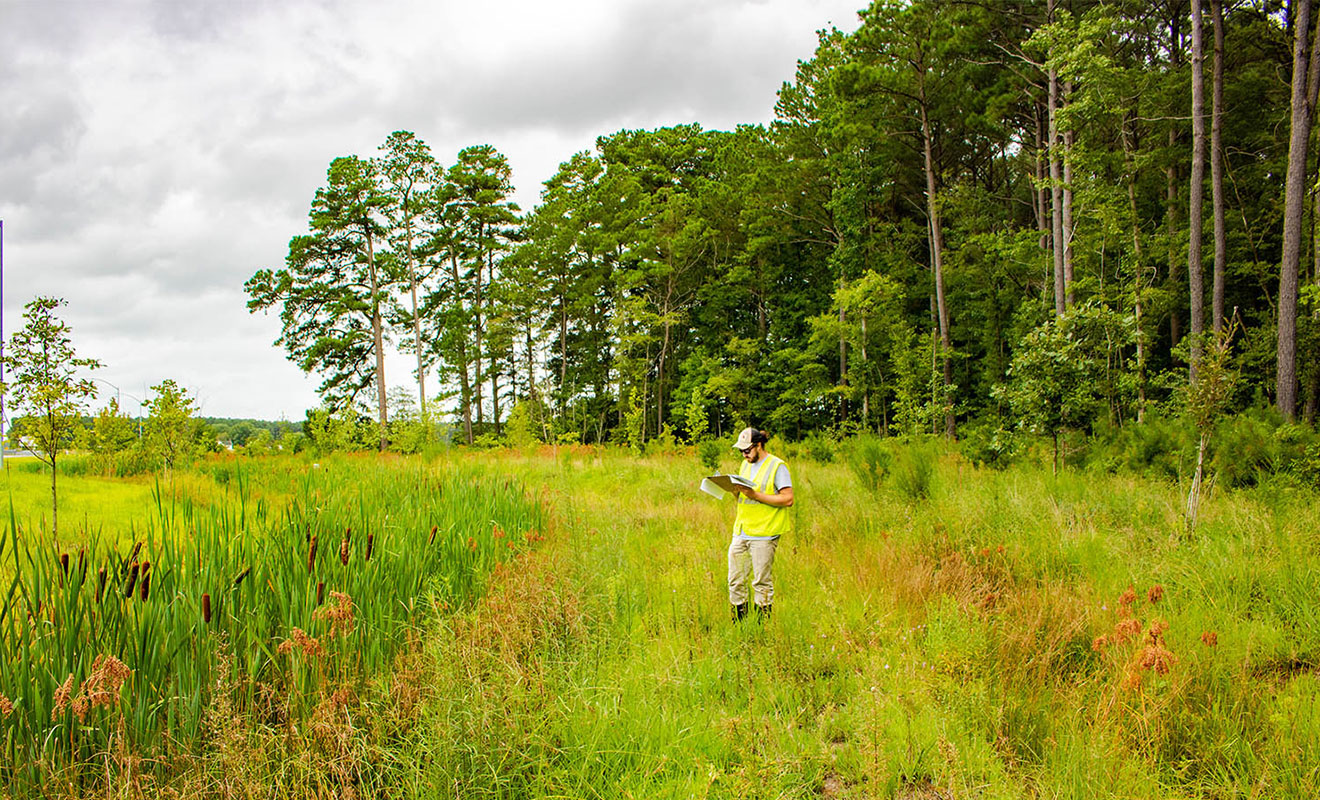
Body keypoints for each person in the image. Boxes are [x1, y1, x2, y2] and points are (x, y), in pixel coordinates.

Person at [726, 427, 793, 622]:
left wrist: (755, 495)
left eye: (747, 450)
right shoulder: (745, 464)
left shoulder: (777, 466)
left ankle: (762, 626)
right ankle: (740, 624)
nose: (744, 454)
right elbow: (744, 497)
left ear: (759, 445)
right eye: (741, 451)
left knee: (761, 582)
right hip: (742, 530)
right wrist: (734, 491)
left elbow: (788, 499)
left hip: (765, 533)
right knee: (735, 580)